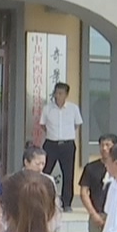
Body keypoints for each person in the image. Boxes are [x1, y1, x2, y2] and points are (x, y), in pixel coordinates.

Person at [38, 82, 83, 212]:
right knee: (45, 171)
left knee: (68, 174)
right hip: (51, 144)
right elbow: (43, 125)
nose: (58, 96)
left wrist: (65, 134)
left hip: (67, 144)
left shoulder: (73, 108)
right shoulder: (47, 109)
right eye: (56, 93)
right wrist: (53, 134)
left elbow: (77, 124)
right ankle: (42, 199)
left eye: (61, 93)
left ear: (66, 95)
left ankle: (67, 203)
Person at [78, 134, 117, 232]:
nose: (104, 148)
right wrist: (93, 213)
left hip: (115, 217)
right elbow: (84, 192)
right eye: (102, 145)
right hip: (97, 214)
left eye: (108, 145)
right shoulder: (91, 168)